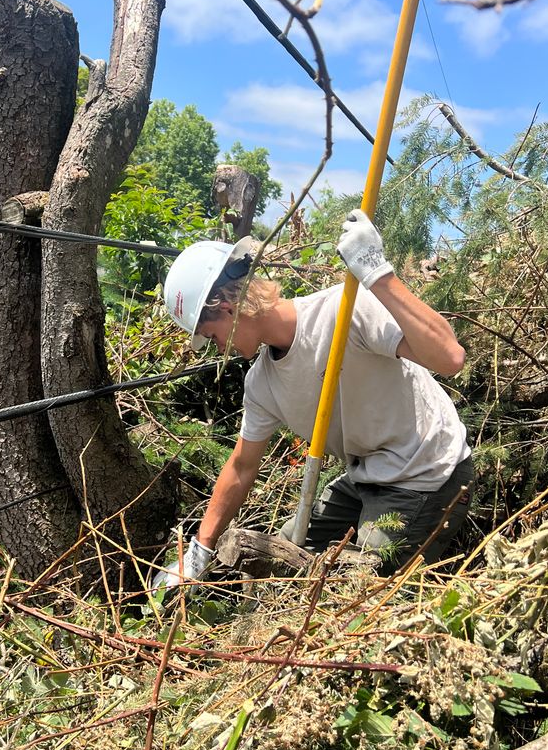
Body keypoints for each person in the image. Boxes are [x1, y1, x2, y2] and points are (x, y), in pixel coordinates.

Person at [157, 210, 473, 587]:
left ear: (226, 307)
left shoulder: (344, 309)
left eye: (212, 336)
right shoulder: (262, 384)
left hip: (425, 471)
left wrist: (376, 271)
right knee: (285, 561)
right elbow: (241, 467)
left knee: (358, 588)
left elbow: (450, 357)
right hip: (366, 474)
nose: (218, 347)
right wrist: (200, 550)